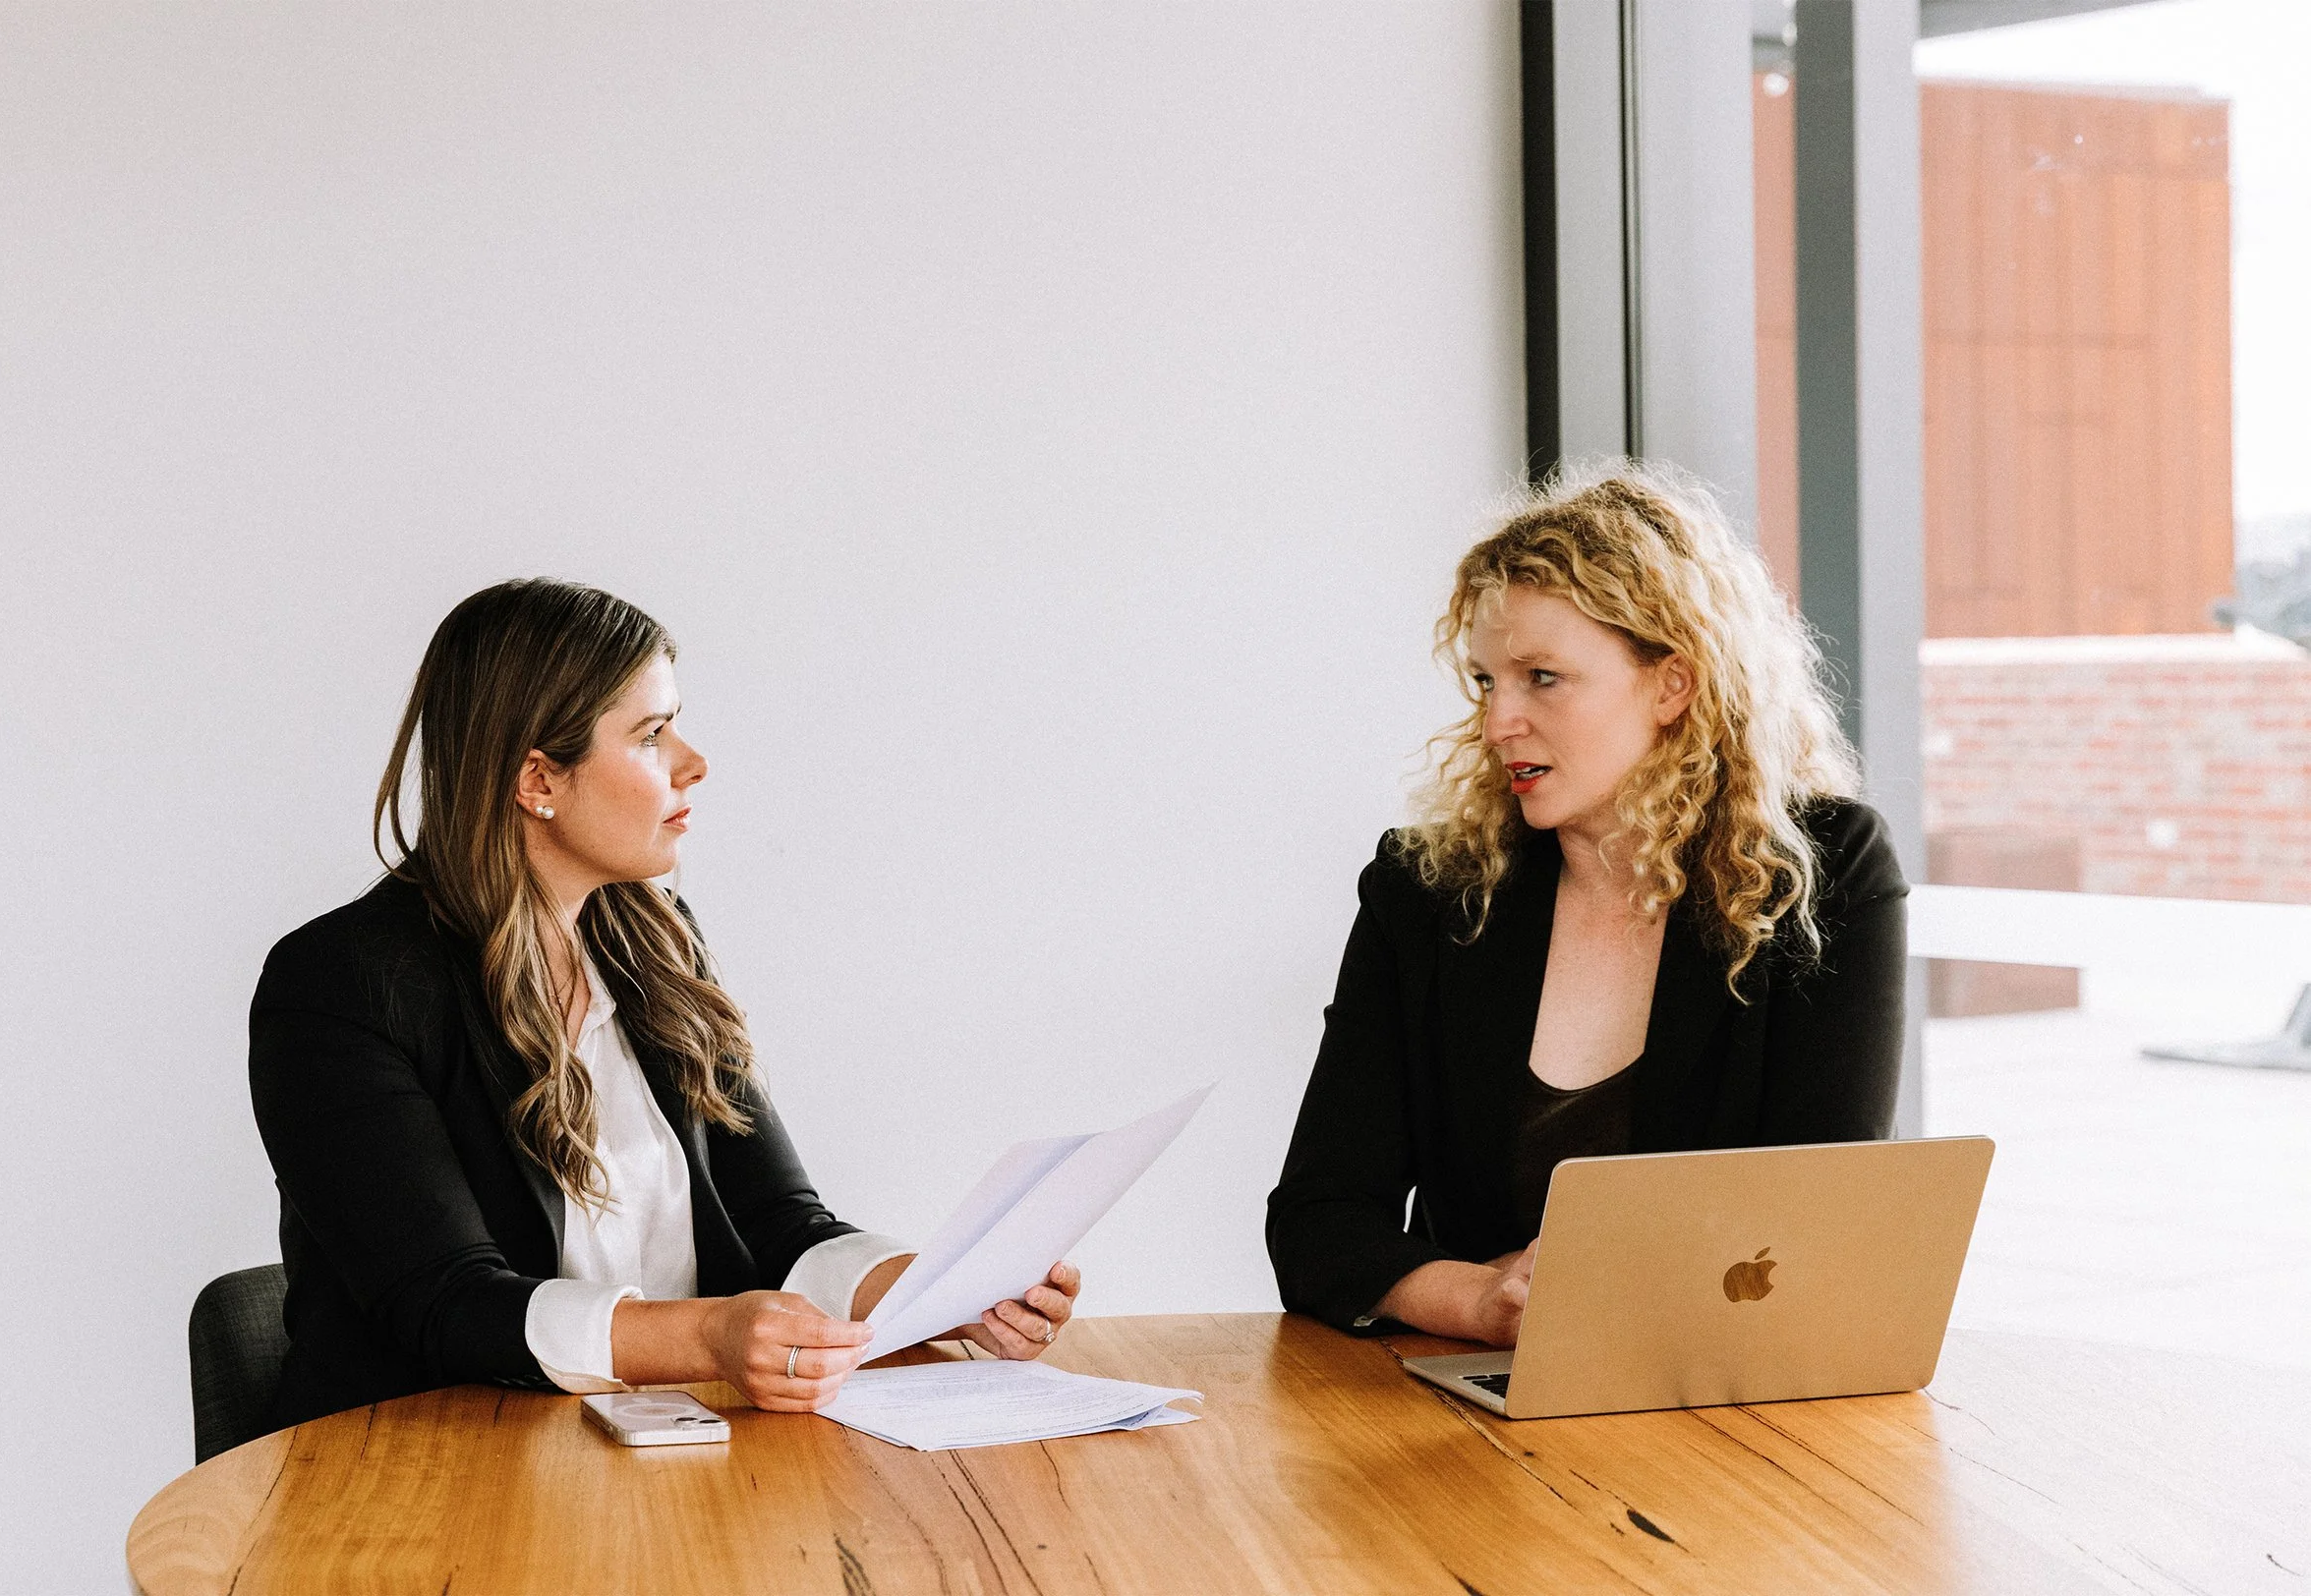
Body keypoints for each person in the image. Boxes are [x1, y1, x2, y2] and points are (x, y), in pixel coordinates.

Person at [251, 578, 1078, 1429]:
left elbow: (778, 1223)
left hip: (673, 1455)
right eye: (651, 735)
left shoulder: (655, 941)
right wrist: (712, 1335)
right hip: (421, 1475)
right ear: (539, 777)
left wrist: (941, 1292)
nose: (694, 761)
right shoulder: (339, 984)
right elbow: (445, 1303)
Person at [1265, 465, 1906, 1347]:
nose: (1498, 725)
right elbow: (1317, 1219)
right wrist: (1474, 1303)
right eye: (1488, 682)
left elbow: (1822, 1217)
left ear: (1671, 684)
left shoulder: (1825, 872)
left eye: (1543, 678)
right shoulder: (1426, 891)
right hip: (1471, 1413)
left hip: (1732, 1394)